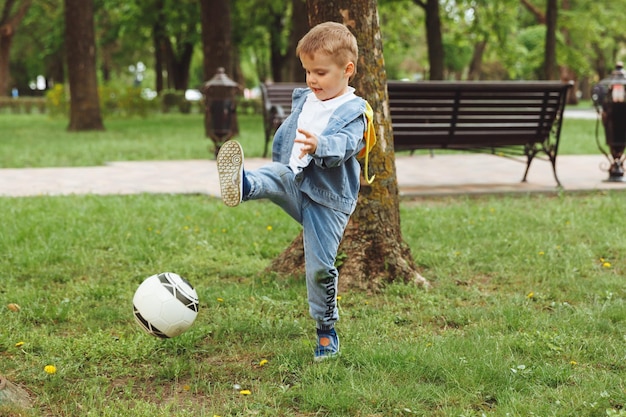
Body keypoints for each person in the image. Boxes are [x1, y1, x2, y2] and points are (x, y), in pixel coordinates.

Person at [216, 21, 372, 361]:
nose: (312, 80)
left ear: (348, 70)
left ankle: (326, 330)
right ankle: (244, 184)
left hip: (328, 202)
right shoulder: (307, 98)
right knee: (274, 174)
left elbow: (345, 145)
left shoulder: (354, 112)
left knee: (319, 268)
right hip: (296, 181)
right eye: (307, 72)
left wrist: (320, 145)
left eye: (320, 72)